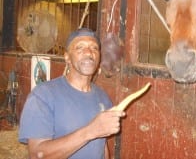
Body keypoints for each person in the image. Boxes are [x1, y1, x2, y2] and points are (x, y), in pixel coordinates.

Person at [19, 28, 125, 159]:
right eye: (80, 47)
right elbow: (37, 155)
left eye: (94, 48)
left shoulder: (103, 97)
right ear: (67, 57)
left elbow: (101, 146)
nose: (88, 53)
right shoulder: (43, 95)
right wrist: (90, 131)